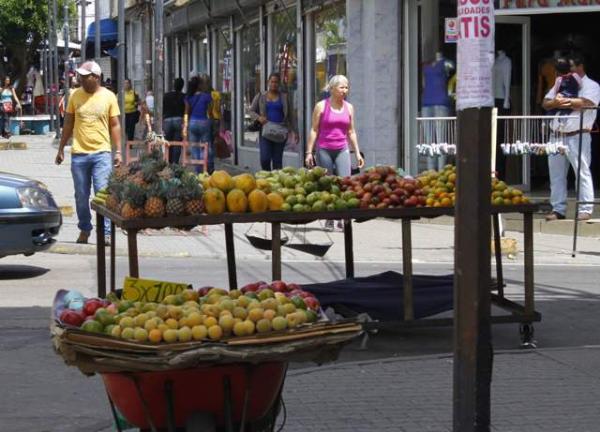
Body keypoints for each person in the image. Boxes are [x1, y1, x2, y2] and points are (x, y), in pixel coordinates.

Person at [55, 61, 122, 245]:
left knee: (102, 194)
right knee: (81, 196)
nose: (81, 79)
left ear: (96, 77)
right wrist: (61, 149)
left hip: (102, 154)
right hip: (79, 155)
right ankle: (85, 229)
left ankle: (107, 232)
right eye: (80, 76)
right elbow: (68, 124)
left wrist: (119, 152)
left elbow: (115, 124)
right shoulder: (75, 96)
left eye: (85, 76)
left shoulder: (109, 97)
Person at [542, 55, 600, 222]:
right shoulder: (562, 81)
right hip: (556, 135)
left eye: (572, 66)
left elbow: (587, 102)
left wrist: (565, 101)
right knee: (556, 174)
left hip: (578, 135)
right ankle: (558, 209)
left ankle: (585, 208)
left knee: (581, 172)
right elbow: (546, 102)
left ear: (580, 66)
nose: (569, 70)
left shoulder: (591, 85)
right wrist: (557, 102)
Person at [305, 74, 364, 230]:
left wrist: (357, 152)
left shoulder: (349, 107)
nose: (344, 90)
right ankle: (329, 217)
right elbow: (314, 129)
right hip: (324, 149)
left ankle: (343, 218)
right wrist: (309, 152)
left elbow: (351, 132)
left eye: (346, 87)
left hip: (342, 149)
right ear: (332, 89)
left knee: (345, 183)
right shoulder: (321, 106)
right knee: (328, 184)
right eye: (341, 87)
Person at [249, 73, 292, 171]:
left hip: (280, 131)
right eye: (272, 82)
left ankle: (276, 183)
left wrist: (295, 131)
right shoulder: (261, 96)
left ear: (279, 83)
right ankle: (267, 176)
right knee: (265, 158)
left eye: (276, 82)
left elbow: (291, 115)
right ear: (268, 82)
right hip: (266, 131)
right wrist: (259, 117)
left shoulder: (284, 97)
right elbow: (251, 111)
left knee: (277, 161)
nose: (274, 84)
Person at [183, 75, 214, 173]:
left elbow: (186, 112)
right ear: (200, 85)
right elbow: (210, 112)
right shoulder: (207, 96)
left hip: (192, 123)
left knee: (194, 147)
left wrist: (185, 124)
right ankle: (207, 168)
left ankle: (198, 170)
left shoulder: (188, 97)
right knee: (206, 146)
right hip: (204, 122)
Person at [163, 77, 186, 163]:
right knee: (177, 143)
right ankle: (175, 163)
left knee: (168, 142)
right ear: (182, 86)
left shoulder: (166, 95)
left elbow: (163, 108)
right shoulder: (184, 96)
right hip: (179, 120)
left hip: (167, 120)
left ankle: (168, 160)